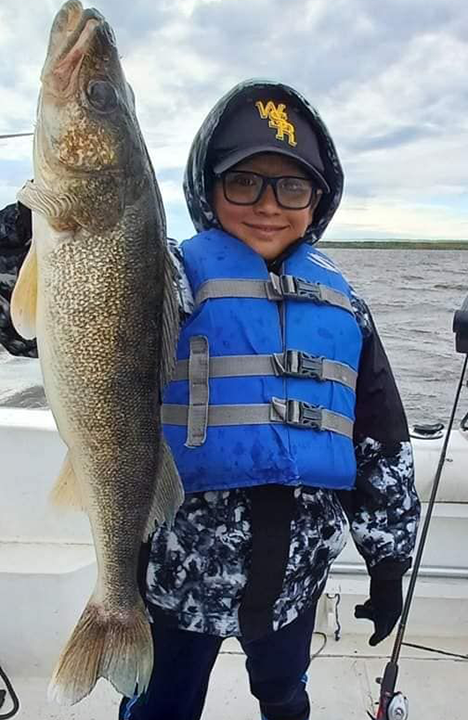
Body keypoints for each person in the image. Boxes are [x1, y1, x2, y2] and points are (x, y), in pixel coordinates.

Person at [0, 80, 420, 720]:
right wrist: (30, 233)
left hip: (293, 582)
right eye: (243, 183)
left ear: (319, 199)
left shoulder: (345, 308)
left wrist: (388, 561)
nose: (268, 205)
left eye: (292, 186)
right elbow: (32, 320)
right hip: (174, 578)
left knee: (284, 697)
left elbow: (380, 446)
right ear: (207, 189)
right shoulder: (170, 274)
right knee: (161, 707)